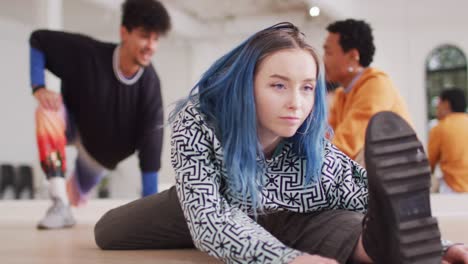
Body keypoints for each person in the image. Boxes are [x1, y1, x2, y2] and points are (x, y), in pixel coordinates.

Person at [93, 22, 468, 264]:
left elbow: (370, 196)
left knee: (353, 223)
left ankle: (377, 249)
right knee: (108, 231)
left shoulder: (313, 145)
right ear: (246, 83)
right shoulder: (199, 120)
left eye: (307, 88)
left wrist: (439, 245)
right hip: (208, 201)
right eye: (278, 85)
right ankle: (247, 236)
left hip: (291, 210)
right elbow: (210, 216)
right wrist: (283, 259)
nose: (297, 103)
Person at [29, 0, 171, 229]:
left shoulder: (150, 87)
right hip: (73, 125)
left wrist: (150, 211)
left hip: (97, 156)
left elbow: (152, 148)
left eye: (156, 39)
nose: (151, 46)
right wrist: (39, 87)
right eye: (145, 36)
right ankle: (59, 204)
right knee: (46, 112)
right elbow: (38, 40)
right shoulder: (88, 54)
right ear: (124, 32)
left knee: (76, 197)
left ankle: (68, 200)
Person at [324, 19, 412, 163]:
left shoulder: (376, 85)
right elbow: (329, 139)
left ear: (353, 56)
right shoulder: (341, 94)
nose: (323, 59)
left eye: (328, 52)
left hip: (399, 179)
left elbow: (346, 144)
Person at [428, 88, 468, 193]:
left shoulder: (440, 128)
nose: (437, 109)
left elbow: (429, 164)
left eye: (439, 104)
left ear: (446, 104)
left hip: (454, 190)